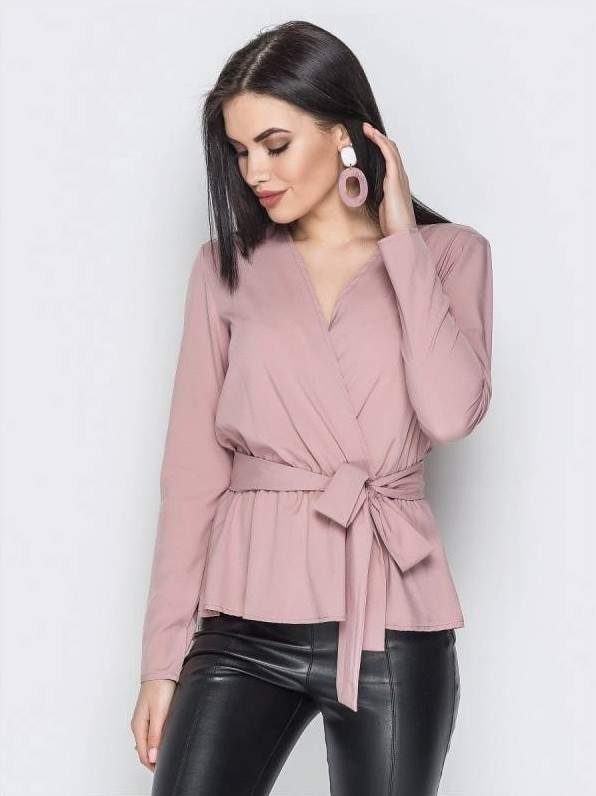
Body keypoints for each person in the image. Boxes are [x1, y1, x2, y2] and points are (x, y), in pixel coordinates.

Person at [130, 19, 493, 796]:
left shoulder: (450, 255)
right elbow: (191, 476)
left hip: (392, 625)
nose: (254, 171)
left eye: (274, 144)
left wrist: (401, 240)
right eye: (240, 151)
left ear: (344, 133)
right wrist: (162, 661)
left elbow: (450, 414)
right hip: (241, 626)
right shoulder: (225, 269)